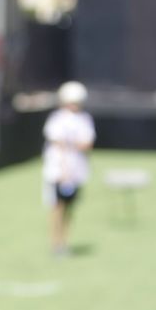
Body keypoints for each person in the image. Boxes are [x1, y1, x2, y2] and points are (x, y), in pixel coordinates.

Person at [41, 81, 95, 256]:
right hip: (58, 172)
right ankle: (56, 244)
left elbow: (86, 143)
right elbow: (57, 142)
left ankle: (65, 242)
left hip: (76, 172)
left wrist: (71, 143)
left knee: (70, 209)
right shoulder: (57, 119)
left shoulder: (84, 119)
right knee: (56, 208)